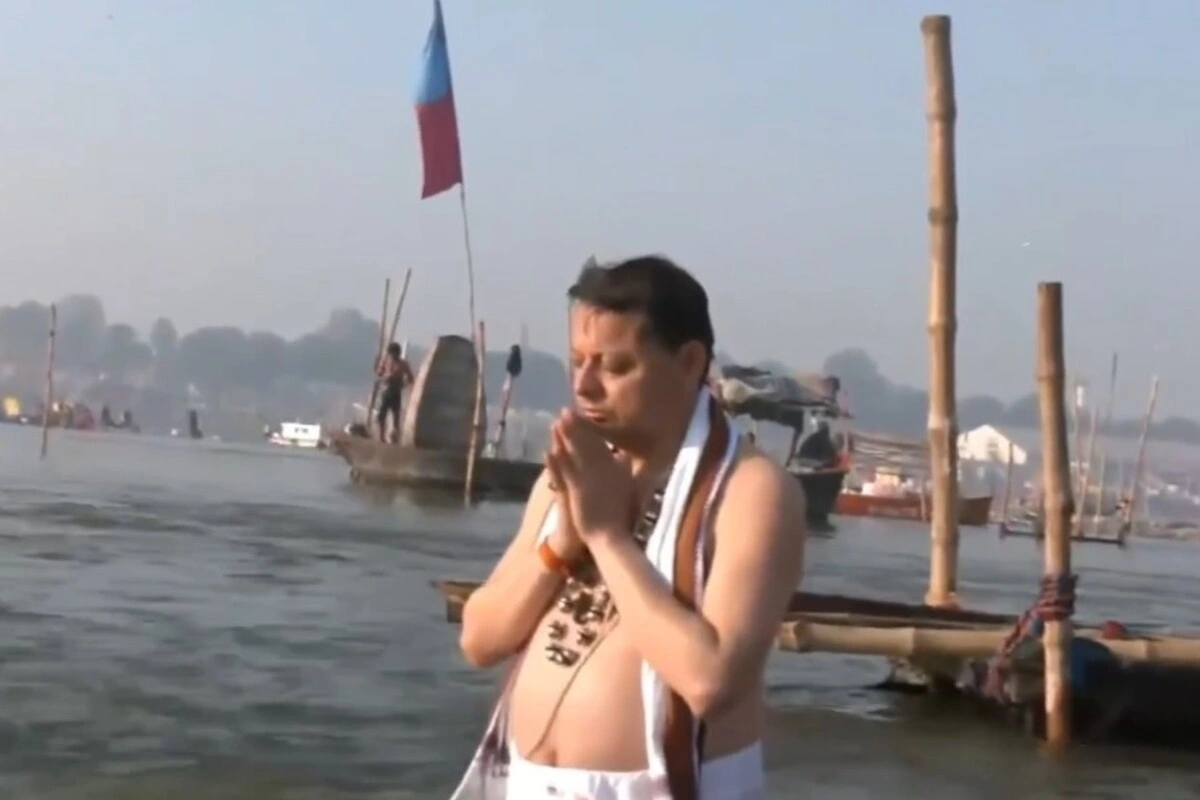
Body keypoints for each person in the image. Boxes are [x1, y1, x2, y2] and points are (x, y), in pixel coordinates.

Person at [452, 255, 807, 799]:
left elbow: (711, 681)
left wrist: (604, 536)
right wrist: (561, 545)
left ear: (688, 363)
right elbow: (478, 639)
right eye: (578, 362)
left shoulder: (751, 490)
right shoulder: (570, 476)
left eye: (615, 367)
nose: (587, 386)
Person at [376, 342, 413, 443]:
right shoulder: (385, 362)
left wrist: (402, 384)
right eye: (391, 354)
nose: (393, 356)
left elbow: (410, 378)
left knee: (395, 417)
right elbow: (379, 374)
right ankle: (381, 438)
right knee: (381, 416)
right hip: (387, 391)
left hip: (396, 392)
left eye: (395, 353)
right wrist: (385, 377)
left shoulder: (403, 364)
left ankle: (394, 440)